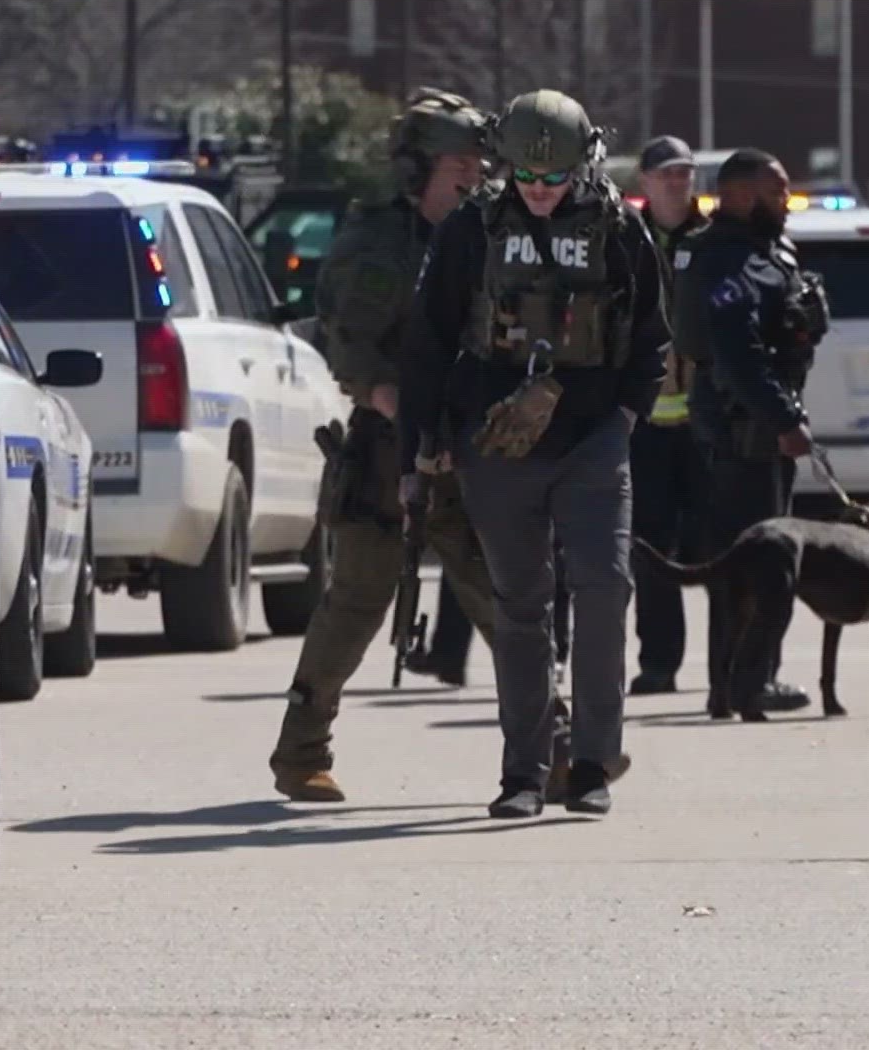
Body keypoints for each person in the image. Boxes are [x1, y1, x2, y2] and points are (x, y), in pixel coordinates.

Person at [402, 88, 668, 818]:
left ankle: (590, 765)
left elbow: (651, 339)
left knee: (605, 587)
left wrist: (620, 418)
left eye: (554, 178)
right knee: (521, 606)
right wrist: (420, 447)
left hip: (592, 437)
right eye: (527, 176)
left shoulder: (620, 230)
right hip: (496, 443)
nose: (542, 191)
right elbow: (427, 342)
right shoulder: (469, 232)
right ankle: (523, 774)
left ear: (584, 163)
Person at [268, 88, 500, 802]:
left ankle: (553, 744)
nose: (473, 175)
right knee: (357, 603)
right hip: (389, 451)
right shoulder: (378, 245)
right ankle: (301, 751)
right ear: (416, 170)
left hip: (471, 447)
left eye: (477, 164)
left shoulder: (486, 233)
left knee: (504, 599)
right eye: (458, 162)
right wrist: (392, 404)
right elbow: (349, 344)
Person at [674, 149, 821, 721]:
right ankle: (745, 683)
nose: (786, 202)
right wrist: (783, 419)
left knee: (754, 561)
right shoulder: (722, 263)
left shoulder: (768, 253)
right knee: (757, 564)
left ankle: (742, 681)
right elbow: (737, 357)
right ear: (737, 195)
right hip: (744, 430)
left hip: (760, 424)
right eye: (775, 191)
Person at [626, 135, 712, 697]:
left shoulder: (714, 240)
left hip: (707, 426)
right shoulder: (625, 239)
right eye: (666, 174)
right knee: (650, 549)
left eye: (683, 173)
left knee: (717, 546)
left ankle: (735, 666)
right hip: (646, 426)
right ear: (646, 182)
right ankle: (658, 663)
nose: (677, 182)